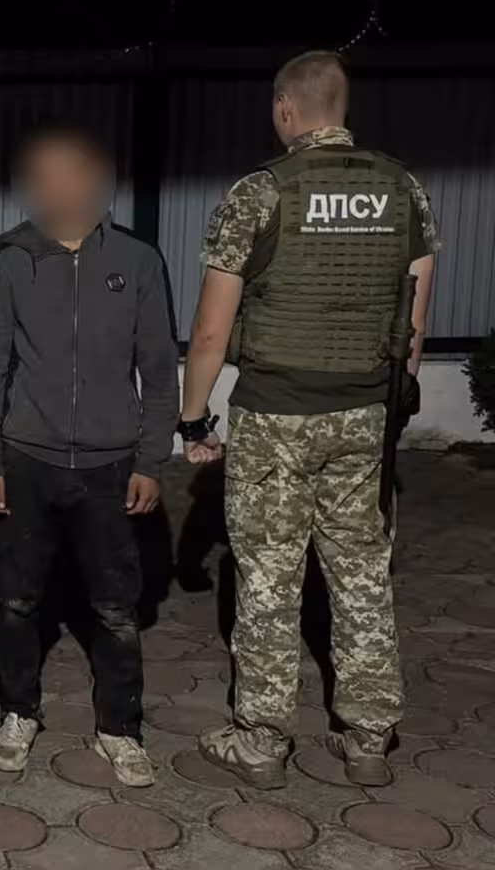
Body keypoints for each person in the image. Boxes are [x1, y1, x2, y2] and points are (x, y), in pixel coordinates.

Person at [181, 52, 439, 789]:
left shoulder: (261, 192)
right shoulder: (404, 190)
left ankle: (262, 740)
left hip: (276, 415)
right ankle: (369, 737)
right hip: (364, 413)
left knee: (268, 574)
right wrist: (390, 405)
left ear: (285, 108)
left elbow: (211, 330)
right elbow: (414, 325)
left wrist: (194, 419)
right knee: (361, 573)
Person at [0, 126, 178, 787]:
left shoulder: (138, 261)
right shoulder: (11, 260)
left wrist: (151, 460)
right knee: (17, 601)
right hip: (27, 460)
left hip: (110, 466)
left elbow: (159, 369)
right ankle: (18, 712)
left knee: (115, 608)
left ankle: (119, 729)